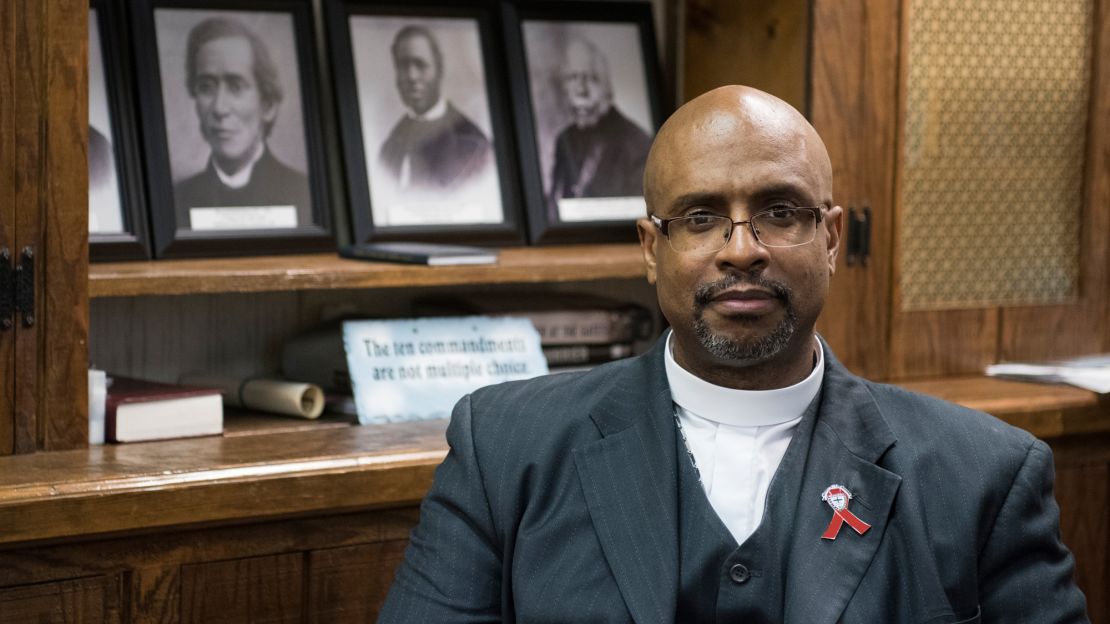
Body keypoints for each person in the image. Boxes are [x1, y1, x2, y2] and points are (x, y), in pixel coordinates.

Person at [378, 86, 1088, 622]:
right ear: (652, 250)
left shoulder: (985, 476)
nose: (742, 248)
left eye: (781, 212)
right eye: (700, 217)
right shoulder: (505, 449)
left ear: (833, 239)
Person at [173, 17, 311, 227]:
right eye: (206, 87)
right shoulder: (177, 199)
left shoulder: (303, 192)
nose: (219, 108)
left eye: (236, 86)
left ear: (268, 105)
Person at [378, 25, 493, 192]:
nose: (411, 76)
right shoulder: (389, 147)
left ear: (439, 68)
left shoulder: (474, 144)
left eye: (420, 65)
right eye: (403, 66)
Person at [547, 36, 652, 214]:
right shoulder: (564, 140)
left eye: (590, 78)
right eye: (573, 78)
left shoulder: (636, 144)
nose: (581, 90)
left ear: (607, 87)